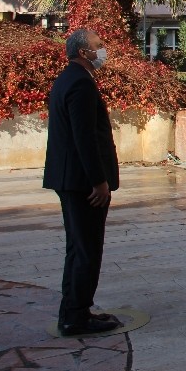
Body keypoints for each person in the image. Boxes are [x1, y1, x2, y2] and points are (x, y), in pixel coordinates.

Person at [44, 28, 122, 336]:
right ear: (82, 52)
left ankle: (75, 310)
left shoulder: (69, 79)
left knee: (78, 247)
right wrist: (98, 181)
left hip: (71, 179)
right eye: (98, 46)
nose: (102, 50)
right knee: (87, 249)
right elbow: (84, 138)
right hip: (82, 183)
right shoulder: (80, 84)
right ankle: (76, 317)